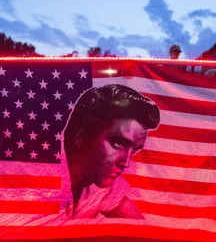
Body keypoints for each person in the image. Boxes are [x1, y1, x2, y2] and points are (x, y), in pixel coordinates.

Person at [62, 84, 160, 219]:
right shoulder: (40, 178)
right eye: (118, 143)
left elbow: (143, 229)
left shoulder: (100, 180)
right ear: (80, 134)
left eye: (134, 151)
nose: (126, 163)